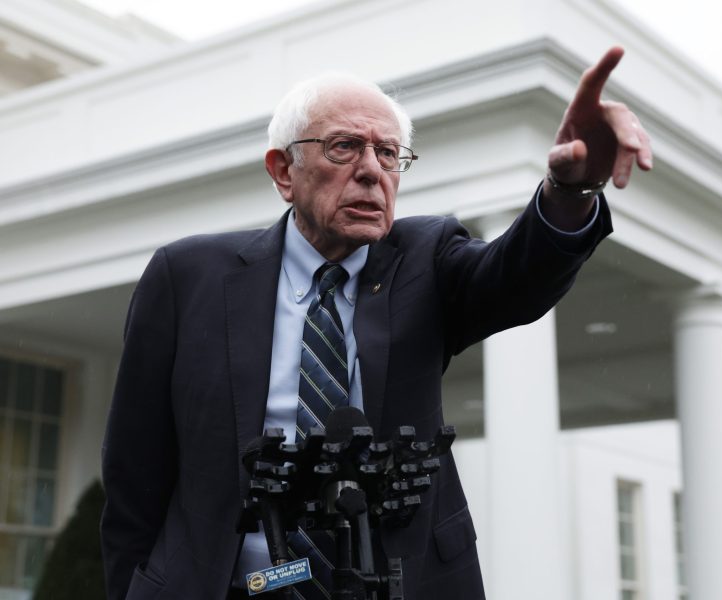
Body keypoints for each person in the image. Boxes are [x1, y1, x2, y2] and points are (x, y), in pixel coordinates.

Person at [100, 46, 652, 600]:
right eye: (344, 147)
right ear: (282, 171)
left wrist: (570, 191)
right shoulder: (188, 276)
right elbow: (134, 473)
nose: (370, 170)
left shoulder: (428, 259)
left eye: (388, 153)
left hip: (396, 583)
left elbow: (516, 277)